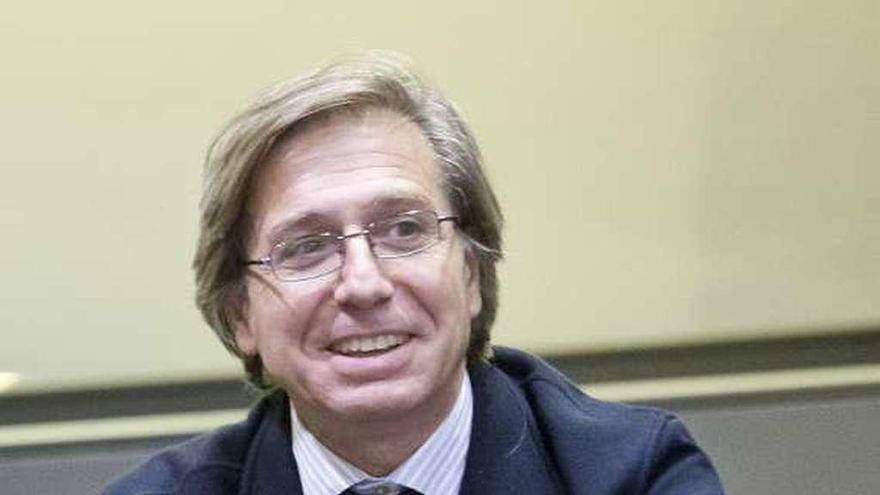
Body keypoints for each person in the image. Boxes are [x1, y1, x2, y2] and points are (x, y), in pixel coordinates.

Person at [105, 51, 724, 495]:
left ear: (472, 271)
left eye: (403, 230)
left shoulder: (634, 475)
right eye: (306, 248)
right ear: (240, 314)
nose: (364, 284)